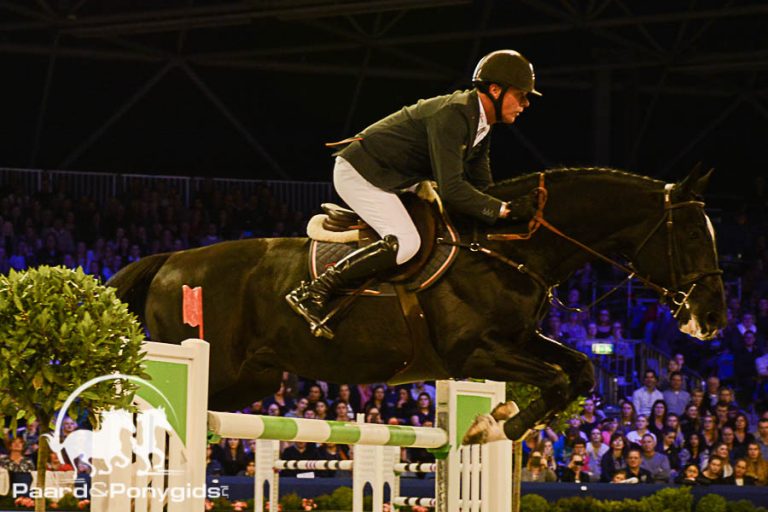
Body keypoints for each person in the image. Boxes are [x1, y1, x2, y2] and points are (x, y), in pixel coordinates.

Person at [285, 49, 541, 338]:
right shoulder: (454, 115)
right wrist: (503, 210)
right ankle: (315, 290)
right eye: (521, 95)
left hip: (396, 177)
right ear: (495, 89)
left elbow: (483, 188)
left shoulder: (480, 124)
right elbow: (454, 190)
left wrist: (508, 208)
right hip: (362, 172)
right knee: (407, 242)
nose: (526, 103)